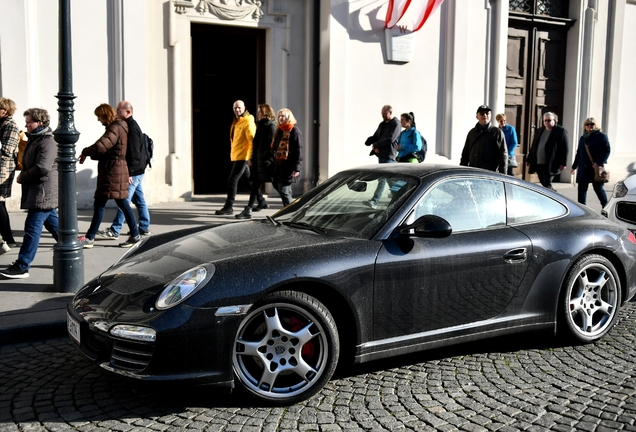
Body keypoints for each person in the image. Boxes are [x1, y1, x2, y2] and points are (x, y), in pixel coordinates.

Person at [0, 108, 58, 279]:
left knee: (32, 228)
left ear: (40, 122)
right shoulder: (35, 139)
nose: (26, 125)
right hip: (39, 190)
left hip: (43, 191)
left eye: (29, 122)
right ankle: (73, 248)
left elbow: (43, 167)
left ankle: (22, 266)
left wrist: (22, 177)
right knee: (53, 225)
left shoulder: (47, 141)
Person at [78, 104, 140, 248]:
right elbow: (107, 149)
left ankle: (90, 237)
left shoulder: (115, 127)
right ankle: (135, 234)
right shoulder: (120, 126)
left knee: (102, 203)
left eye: (99, 116)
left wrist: (85, 151)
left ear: (105, 115)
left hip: (113, 171)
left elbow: (101, 146)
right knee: (121, 202)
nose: (98, 120)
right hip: (115, 169)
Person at [96, 101, 150, 239]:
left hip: (133, 171)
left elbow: (134, 152)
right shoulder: (130, 124)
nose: (116, 112)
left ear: (128, 112)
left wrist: (129, 173)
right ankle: (144, 226)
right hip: (138, 170)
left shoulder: (130, 126)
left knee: (122, 199)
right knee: (139, 200)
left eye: (119, 110)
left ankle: (115, 229)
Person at [215, 100, 256, 215]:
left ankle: (229, 206)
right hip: (238, 155)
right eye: (235, 108)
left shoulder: (247, 121)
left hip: (244, 156)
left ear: (244, 108)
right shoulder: (237, 121)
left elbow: (252, 140)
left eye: (239, 108)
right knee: (248, 181)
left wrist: (251, 157)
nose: (237, 110)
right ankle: (261, 200)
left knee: (232, 179)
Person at [236, 103, 275, 219]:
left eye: (260, 112)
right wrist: (253, 159)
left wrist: (265, 157)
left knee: (280, 187)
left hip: (266, 162)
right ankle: (249, 209)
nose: (258, 114)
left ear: (265, 113)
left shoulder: (270, 126)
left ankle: (288, 208)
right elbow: (256, 144)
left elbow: (272, 145)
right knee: (255, 186)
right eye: (258, 112)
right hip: (259, 162)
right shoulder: (261, 125)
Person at [363, 105, 400, 208]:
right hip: (381, 155)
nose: (383, 116)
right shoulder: (382, 124)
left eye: (385, 114)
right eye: (382, 114)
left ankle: (375, 201)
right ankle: (399, 200)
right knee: (390, 180)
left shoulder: (396, 124)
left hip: (389, 155)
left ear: (390, 113)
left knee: (383, 178)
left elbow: (390, 139)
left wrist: (377, 144)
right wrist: (371, 143)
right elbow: (376, 136)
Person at [571, 117, 611, 207]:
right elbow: (579, 153)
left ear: (596, 125)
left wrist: (598, 162)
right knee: (581, 190)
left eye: (592, 124)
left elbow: (607, 151)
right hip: (584, 168)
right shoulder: (583, 138)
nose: (589, 126)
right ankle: (582, 210)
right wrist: (574, 167)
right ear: (585, 127)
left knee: (599, 189)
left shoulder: (601, 136)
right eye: (587, 124)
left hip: (596, 169)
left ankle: (606, 208)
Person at [527, 111, 569, 190]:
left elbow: (565, 148)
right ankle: (554, 196)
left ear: (554, 120)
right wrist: (529, 159)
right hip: (539, 162)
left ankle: (556, 199)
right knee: (543, 182)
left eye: (549, 120)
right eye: (545, 120)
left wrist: (563, 163)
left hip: (551, 162)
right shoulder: (540, 130)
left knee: (547, 183)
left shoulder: (560, 131)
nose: (547, 122)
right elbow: (534, 146)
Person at [460, 105, 507, 173]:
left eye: (487, 113)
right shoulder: (472, 133)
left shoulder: (497, 133)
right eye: (482, 113)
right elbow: (465, 155)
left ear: (490, 115)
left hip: (489, 174)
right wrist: (462, 172)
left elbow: (503, 155)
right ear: (477, 117)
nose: (485, 115)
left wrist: (503, 175)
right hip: (473, 173)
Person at [270, 108, 303, 206]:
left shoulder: (294, 130)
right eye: (279, 116)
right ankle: (290, 209)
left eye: (283, 116)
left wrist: (296, 168)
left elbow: (299, 150)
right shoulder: (279, 131)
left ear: (288, 117)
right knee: (280, 187)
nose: (280, 118)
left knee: (284, 190)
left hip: (288, 166)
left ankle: (293, 211)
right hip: (279, 165)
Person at [0, 98, 20, 254]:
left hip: (3, 170)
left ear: (4, 110)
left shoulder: (10, 126)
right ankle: (7, 238)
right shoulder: (2, 124)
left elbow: (7, 151)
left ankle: (7, 238)